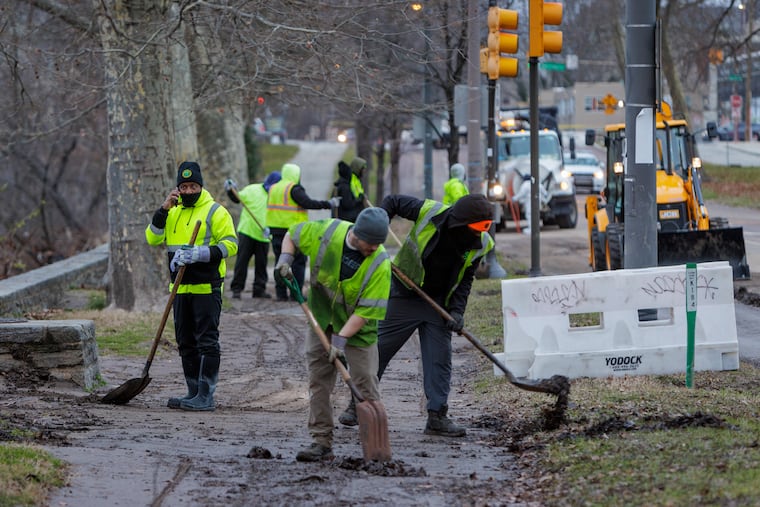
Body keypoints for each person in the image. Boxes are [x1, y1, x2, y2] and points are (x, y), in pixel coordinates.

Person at [339, 194, 494, 437]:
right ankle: (357, 404)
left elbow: (465, 279)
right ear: (460, 221)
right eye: (479, 227)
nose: (481, 233)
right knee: (379, 349)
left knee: (439, 360)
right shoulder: (431, 212)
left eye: (487, 227)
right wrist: (378, 232)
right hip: (404, 292)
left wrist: (456, 311)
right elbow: (391, 201)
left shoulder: (481, 244)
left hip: (438, 305)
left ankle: (437, 417)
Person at [274, 207, 391, 462]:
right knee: (319, 380)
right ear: (356, 234)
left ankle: (375, 448)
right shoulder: (326, 232)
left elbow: (365, 311)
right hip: (321, 317)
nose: (373, 249)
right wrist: (285, 260)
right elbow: (292, 234)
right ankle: (321, 442)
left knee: (366, 383)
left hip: (358, 328)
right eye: (369, 244)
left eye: (377, 245)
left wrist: (340, 340)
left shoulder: (380, 263)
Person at [145, 161, 238, 411]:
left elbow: (231, 244)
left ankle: (206, 395)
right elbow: (152, 237)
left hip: (206, 288)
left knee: (206, 341)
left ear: (200, 186)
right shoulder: (173, 212)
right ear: (178, 188)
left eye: (193, 186)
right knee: (185, 341)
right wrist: (163, 209)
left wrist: (200, 253)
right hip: (179, 288)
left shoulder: (215, 211)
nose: (188, 191)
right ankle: (193, 392)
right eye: (183, 186)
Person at [267, 162, 341, 302]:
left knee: (280, 262)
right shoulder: (294, 189)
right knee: (298, 262)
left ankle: (281, 294)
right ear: (295, 174)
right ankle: (296, 294)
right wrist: (328, 204)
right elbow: (308, 203)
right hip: (292, 232)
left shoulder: (273, 188)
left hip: (275, 231)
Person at [224, 171, 281, 299]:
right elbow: (237, 198)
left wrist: (271, 229)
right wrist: (229, 190)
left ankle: (259, 290)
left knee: (261, 264)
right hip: (247, 232)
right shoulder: (252, 190)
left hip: (264, 236)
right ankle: (237, 289)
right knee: (242, 262)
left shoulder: (278, 197)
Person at [333, 157, 368, 222]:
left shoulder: (356, 180)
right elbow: (347, 203)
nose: (364, 171)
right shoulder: (348, 182)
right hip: (348, 218)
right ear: (357, 168)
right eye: (363, 169)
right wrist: (360, 199)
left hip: (354, 213)